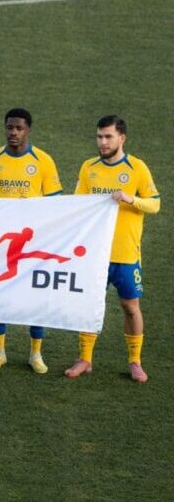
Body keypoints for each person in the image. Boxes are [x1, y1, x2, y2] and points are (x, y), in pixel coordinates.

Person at [66, 115, 159, 383]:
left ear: (122, 138)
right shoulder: (89, 168)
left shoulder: (137, 168)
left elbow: (155, 204)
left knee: (130, 307)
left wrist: (131, 199)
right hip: (95, 255)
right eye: (99, 136)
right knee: (89, 304)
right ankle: (85, 359)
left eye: (108, 137)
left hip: (126, 255)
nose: (102, 142)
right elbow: (78, 206)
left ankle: (135, 362)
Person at [0, 108, 62, 374]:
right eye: (9, 128)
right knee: (0, 297)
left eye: (19, 129)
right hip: (4, 246)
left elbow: (55, 205)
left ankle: (36, 354)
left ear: (28, 130)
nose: (13, 133)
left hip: (34, 243)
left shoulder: (43, 161)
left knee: (35, 298)